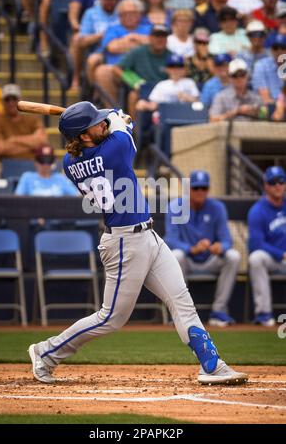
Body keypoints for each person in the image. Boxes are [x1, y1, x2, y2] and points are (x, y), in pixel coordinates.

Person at [27, 101, 248, 385]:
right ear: (83, 135)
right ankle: (46, 352)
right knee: (110, 318)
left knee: (181, 300)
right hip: (124, 244)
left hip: (147, 236)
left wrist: (107, 120)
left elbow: (113, 129)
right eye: (96, 123)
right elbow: (124, 127)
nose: (102, 124)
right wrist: (119, 117)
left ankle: (212, 364)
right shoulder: (115, 149)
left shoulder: (70, 163)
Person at [165, 170, 241, 328]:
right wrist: (191, 249)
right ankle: (181, 313)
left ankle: (219, 311)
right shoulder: (176, 206)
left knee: (233, 256)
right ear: (189, 189)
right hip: (187, 260)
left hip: (210, 259)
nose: (200, 192)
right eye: (196, 188)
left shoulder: (217, 207)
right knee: (176, 255)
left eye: (204, 188)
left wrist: (220, 247)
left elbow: (227, 240)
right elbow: (170, 239)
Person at [93, 0, 151, 105]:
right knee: (102, 71)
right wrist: (140, 42)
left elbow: (154, 44)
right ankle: (113, 112)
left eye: (132, 13)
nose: (128, 16)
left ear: (139, 15)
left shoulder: (148, 28)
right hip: (118, 70)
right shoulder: (113, 29)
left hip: (144, 69)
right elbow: (113, 47)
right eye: (124, 14)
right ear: (119, 16)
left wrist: (133, 37)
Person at [248, 166, 286, 326]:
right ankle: (264, 313)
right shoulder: (257, 210)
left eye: (281, 181)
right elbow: (257, 243)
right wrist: (281, 254)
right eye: (272, 182)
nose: (277, 186)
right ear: (266, 186)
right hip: (273, 259)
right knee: (256, 258)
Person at [69, 0, 120, 91]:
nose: (110, 1)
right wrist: (100, 36)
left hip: (119, 50)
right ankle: (81, 80)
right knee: (78, 41)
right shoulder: (91, 13)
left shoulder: (122, 12)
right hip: (99, 50)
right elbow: (82, 39)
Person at [114, 23, 171, 117]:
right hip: (143, 87)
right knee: (133, 95)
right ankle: (134, 129)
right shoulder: (139, 52)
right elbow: (116, 68)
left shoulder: (172, 56)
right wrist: (133, 81)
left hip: (164, 90)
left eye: (163, 36)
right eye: (157, 36)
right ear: (150, 38)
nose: (160, 39)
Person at [0, 84, 47, 160]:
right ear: (2, 102)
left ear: (20, 100)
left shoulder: (33, 120)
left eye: (14, 99)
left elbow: (42, 141)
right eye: (7, 99)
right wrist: (31, 145)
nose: (11, 103)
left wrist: (13, 140)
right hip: (6, 166)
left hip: (31, 165)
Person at [209, 58, 262, 122]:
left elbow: (265, 119)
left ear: (247, 76)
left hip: (251, 131)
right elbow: (212, 120)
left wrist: (255, 112)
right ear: (229, 77)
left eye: (242, 75)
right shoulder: (221, 97)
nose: (239, 78)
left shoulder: (256, 97)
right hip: (228, 131)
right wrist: (236, 112)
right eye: (235, 75)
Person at [252, 33, 286, 104]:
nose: (279, 51)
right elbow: (266, 99)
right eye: (275, 48)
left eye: (283, 48)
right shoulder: (261, 65)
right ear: (271, 50)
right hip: (270, 107)